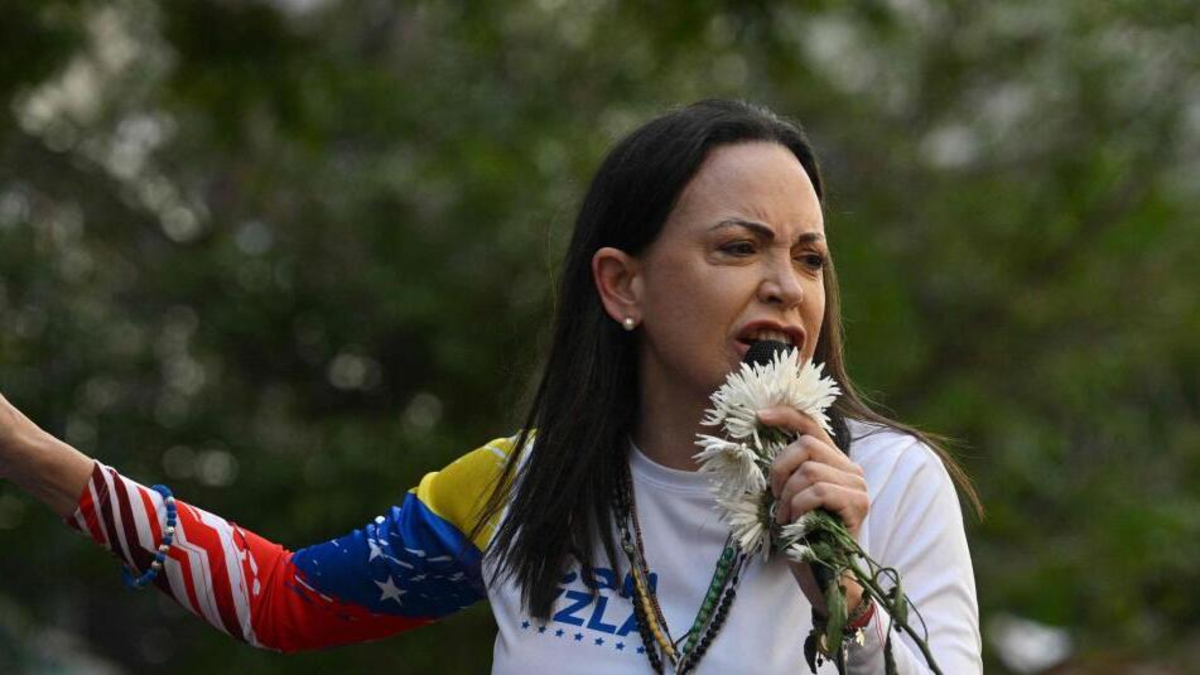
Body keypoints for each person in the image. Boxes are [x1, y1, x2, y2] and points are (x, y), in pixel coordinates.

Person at [0, 100, 982, 673]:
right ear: (622, 285)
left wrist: (850, 607)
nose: (786, 285)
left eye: (810, 258)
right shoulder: (520, 489)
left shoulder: (889, 486)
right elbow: (280, 600)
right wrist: (22, 448)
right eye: (739, 247)